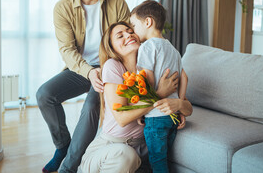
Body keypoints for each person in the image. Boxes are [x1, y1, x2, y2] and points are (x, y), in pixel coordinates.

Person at [36, 0, 130, 173]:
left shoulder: (117, 2)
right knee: (45, 95)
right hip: (81, 68)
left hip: (110, 68)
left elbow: (125, 41)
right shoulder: (63, 7)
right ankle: (63, 147)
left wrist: (106, 72)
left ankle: (68, 167)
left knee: (90, 107)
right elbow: (67, 50)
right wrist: (88, 72)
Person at [80, 22, 193, 172]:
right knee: (126, 155)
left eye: (130, 31)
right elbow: (122, 118)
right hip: (110, 149)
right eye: (120, 36)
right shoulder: (113, 66)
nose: (128, 35)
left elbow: (188, 107)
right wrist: (159, 94)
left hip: (141, 150)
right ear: (112, 47)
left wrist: (178, 106)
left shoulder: (153, 66)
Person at [129, 0, 189, 172]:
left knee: (157, 161)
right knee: (165, 158)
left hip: (156, 116)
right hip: (172, 116)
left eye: (134, 25)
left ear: (148, 22)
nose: (132, 31)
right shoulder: (173, 49)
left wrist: (143, 109)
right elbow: (184, 77)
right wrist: (180, 103)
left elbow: (147, 83)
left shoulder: (147, 47)